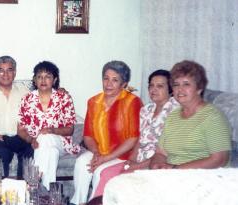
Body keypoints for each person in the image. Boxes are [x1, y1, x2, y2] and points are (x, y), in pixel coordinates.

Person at [89, 69, 180, 199]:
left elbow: (166, 152)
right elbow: (140, 139)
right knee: (106, 173)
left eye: (160, 86)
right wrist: (131, 160)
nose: (154, 90)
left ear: (170, 90)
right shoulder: (147, 109)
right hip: (138, 159)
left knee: (121, 179)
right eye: (151, 86)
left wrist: (136, 167)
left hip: (157, 164)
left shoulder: (176, 112)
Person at [71, 61, 142, 205]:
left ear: (124, 84)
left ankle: (95, 202)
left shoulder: (132, 102)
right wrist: (96, 153)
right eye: (106, 78)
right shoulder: (93, 101)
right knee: (81, 163)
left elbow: (133, 138)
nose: (108, 83)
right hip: (99, 151)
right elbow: (88, 135)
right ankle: (77, 202)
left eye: (115, 80)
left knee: (99, 171)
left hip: (122, 156)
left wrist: (106, 158)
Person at [150, 60, 231, 170]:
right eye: (176, 84)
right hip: (170, 175)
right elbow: (160, 153)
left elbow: (220, 159)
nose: (180, 89)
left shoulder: (213, 117)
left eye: (186, 84)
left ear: (199, 88)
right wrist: (156, 165)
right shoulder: (173, 116)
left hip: (201, 177)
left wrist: (175, 169)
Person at [18, 61, 80, 190]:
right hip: (40, 145)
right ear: (34, 80)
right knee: (51, 153)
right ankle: (46, 193)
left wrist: (52, 130)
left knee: (46, 137)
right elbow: (21, 130)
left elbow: (70, 130)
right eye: (39, 76)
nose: (43, 80)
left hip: (61, 142)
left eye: (48, 76)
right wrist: (31, 139)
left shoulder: (64, 98)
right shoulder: (27, 99)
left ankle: (32, 182)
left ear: (54, 79)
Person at [0, 56, 33, 178]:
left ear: (14, 72)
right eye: (1, 70)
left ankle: (22, 188)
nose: (5, 74)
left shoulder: (25, 92)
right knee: (3, 154)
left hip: (18, 136)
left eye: (9, 70)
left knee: (29, 151)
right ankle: (1, 190)